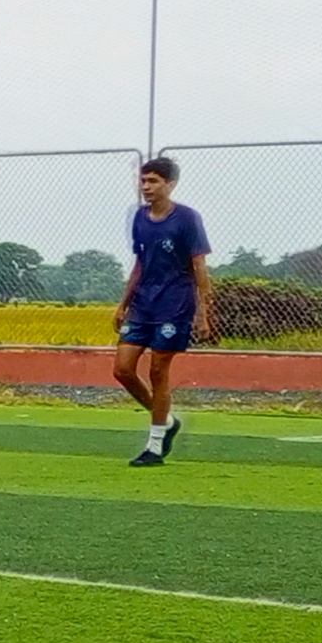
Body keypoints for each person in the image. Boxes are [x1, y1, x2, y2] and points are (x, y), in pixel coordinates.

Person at [113, 155, 211, 466]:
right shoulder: (139, 218)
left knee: (158, 371)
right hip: (143, 304)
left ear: (170, 184)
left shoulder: (187, 218)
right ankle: (167, 421)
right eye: (143, 181)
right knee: (122, 369)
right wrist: (123, 304)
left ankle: (154, 446)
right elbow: (139, 263)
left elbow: (199, 266)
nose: (146, 187)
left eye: (153, 181)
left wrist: (203, 312)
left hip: (175, 304)